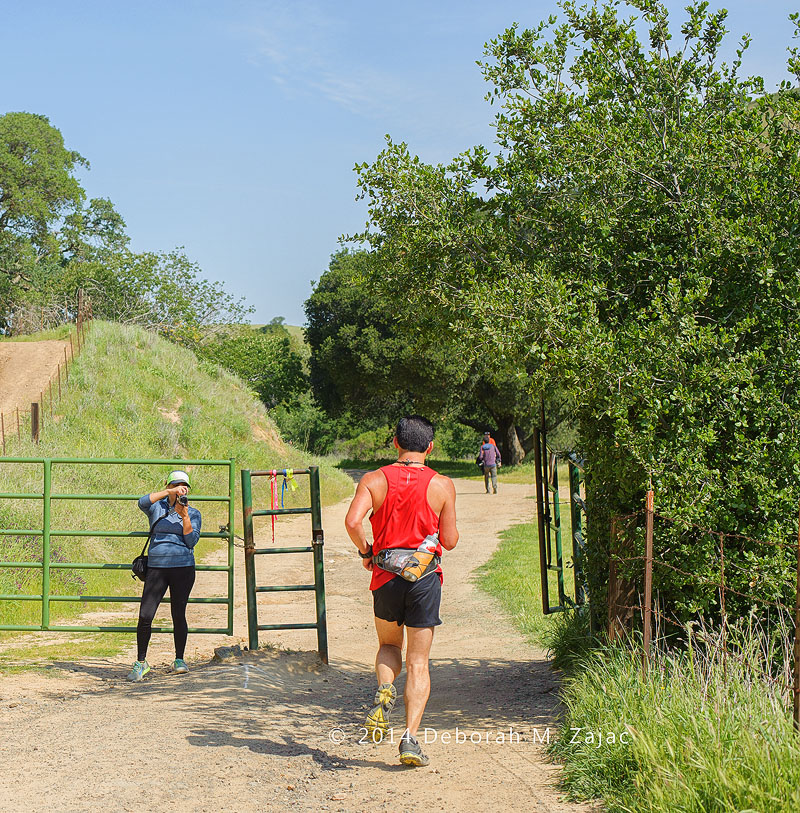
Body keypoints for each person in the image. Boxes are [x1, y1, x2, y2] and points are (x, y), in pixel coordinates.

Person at [344, 415, 459, 767]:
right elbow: (450, 541)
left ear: (395, 443)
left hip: (386, 578)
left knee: (389, 646)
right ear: (430, 447)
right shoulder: (442, 485)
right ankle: (409, 739)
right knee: (418, 662)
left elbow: (352, 521)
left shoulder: (374, 479)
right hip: (423, 580)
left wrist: (367, 551)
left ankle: (384, 689)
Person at [127, 470, 202, 682]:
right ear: (169, 485)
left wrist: (184, 515)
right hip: (157, 568)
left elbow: (191, 542)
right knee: (145, 615)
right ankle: (141, 662)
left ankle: (179, 659)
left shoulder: (193, 513)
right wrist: (168, 492)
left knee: (178, 614)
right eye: (177, 485)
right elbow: (142, 502)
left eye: (184, 486)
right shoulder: (156, 508)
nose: (181, 489)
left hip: (183, 568)